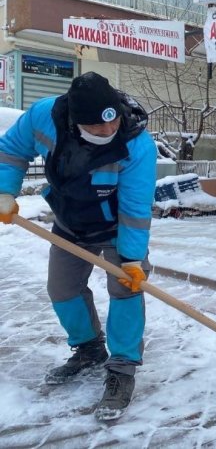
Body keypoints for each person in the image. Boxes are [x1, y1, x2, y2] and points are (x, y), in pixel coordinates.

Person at [0, 72, 157, 421]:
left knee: (125, 288)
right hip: (70, 222)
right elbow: (12, 150)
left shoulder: (137, 145)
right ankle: (88, 348)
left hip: (117, 227)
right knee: (62, 289)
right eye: (97, 128)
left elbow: (135, 209)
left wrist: (131, 259)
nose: (108, 131)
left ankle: (122, 367)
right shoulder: (44, 117)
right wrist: (5, 190)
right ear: (74, 121)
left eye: (112, 122)